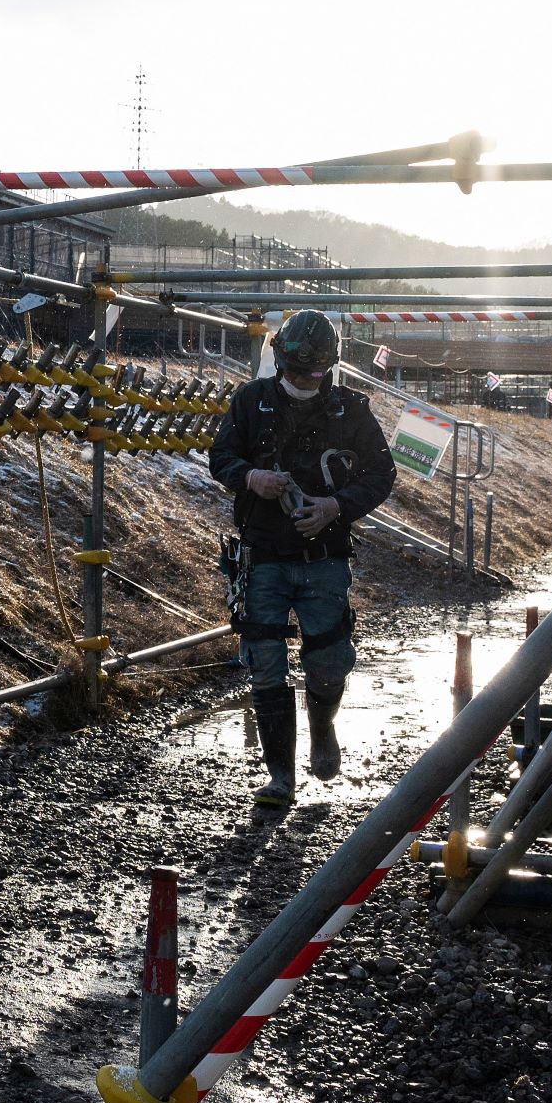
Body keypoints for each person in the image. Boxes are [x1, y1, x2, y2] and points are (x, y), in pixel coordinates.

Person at [209, 311, 396, 808]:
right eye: (297, 370)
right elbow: (220, 458)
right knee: (265, 661)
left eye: (315, 372)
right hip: (263, 552)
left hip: (325, 556)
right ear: (280, 360)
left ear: (329, 368)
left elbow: (382, 475)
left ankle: (323, 727)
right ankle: (280, 777)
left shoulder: (350, 411)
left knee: (329, 660)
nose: (305, 380)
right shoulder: (251, 402)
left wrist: (335, 506)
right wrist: (252, 479)